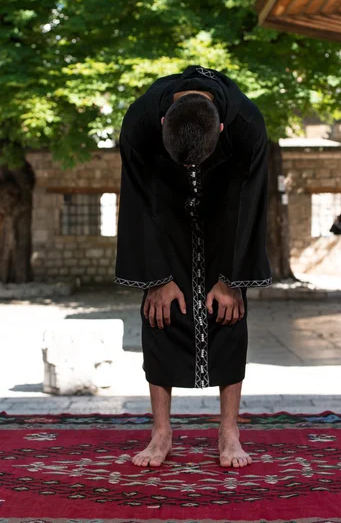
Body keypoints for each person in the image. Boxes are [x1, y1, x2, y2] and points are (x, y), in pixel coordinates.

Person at [115, 65, 271, 469]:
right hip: (160, 211)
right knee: (160, 313)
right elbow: (134, 200)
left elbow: (252, 205)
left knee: (229, 313)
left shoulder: (248, 123)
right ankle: (161, 432)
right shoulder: (140, 121)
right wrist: (158, 278)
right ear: (163, 123)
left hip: (228, 212)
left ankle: (229, 430)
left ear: (220, 130)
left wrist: (231, 280)